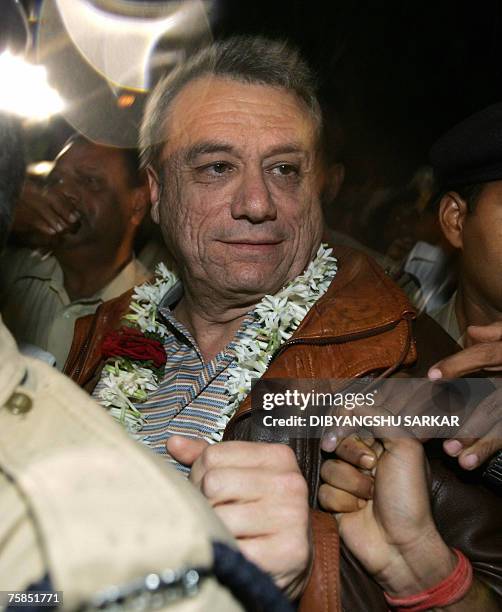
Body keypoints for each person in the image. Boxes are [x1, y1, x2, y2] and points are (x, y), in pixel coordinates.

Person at [63, 37, 501, 610]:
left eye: (284, 169)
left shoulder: (403, 358)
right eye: (218, 167)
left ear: (318, 187)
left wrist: (325, 573)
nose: (257, 202)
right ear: (155, 190)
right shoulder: (104, 336)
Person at [0, 112, 297, 612]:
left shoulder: (339, 362)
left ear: (143, 201)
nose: (253, 204)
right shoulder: (24, 281)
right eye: (57, 179)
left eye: (89, 182)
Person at [0, 135, 150, 369]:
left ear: (138, 205)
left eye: (89, 181)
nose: (64, 191)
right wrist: (5, 215)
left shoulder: (151, 312)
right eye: (56, 180)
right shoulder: (11, 271)